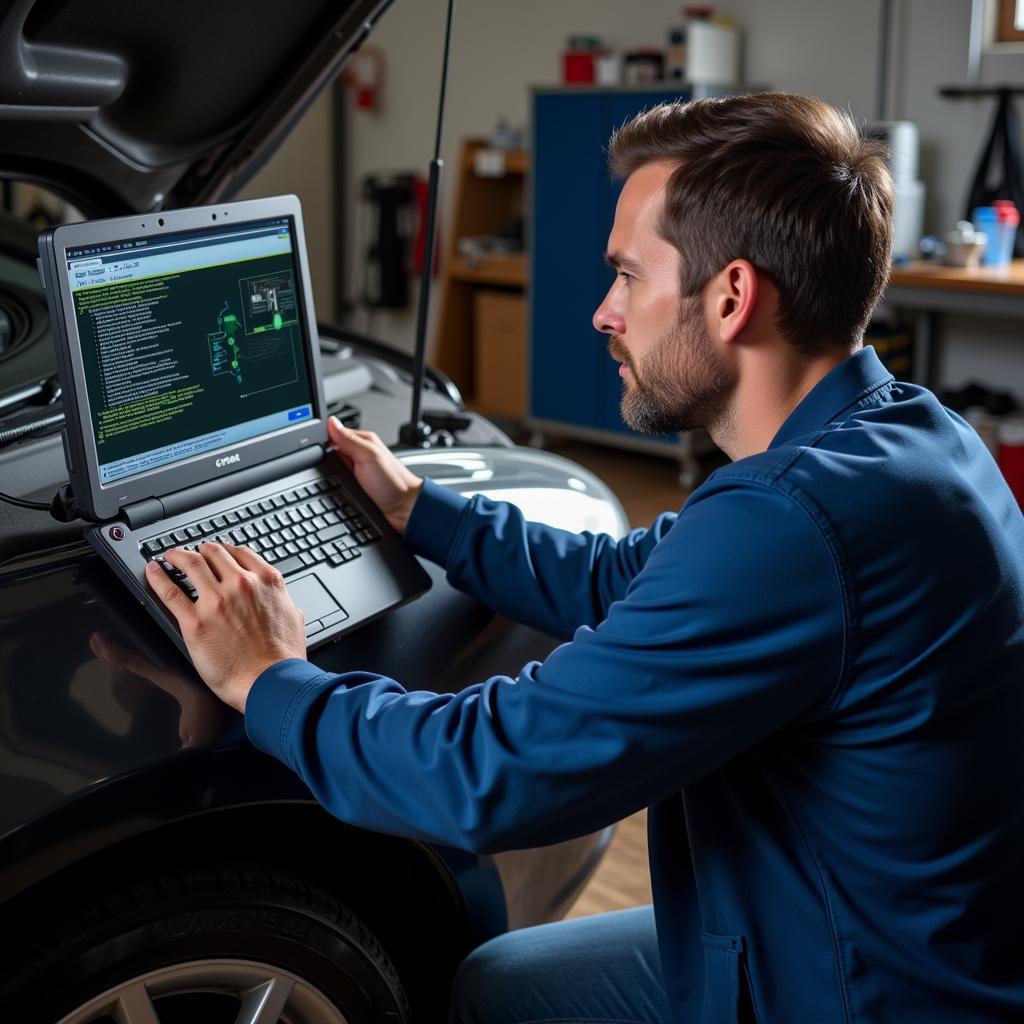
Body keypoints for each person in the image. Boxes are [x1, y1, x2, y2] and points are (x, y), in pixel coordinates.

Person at [146, 94, 1024, 1023]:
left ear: (731, 298)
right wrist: (419, 512)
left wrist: (269, 676)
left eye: (629, 276)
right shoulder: (908, 433)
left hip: (861, 988)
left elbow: (493, 773)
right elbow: (631, 582)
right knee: (503, 985)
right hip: (891, 924)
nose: (604, 313)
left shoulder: (795, 522)